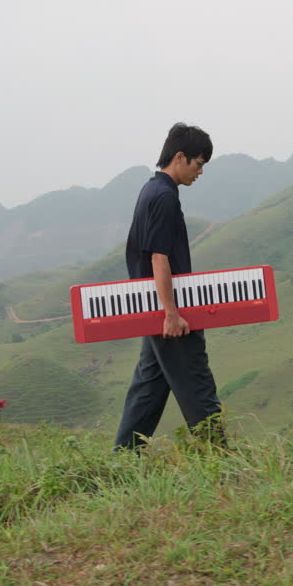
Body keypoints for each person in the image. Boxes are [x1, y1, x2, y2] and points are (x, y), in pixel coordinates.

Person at [114, 123, 225, 450]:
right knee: (196, 381)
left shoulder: (151, 189)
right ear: (180, 157)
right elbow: (159, 258)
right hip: (167, 310)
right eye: (199, 163)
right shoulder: (164, 197)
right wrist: (171, 314)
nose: (200, 172)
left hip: (153, 307)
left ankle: (123, 458)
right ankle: (219, 457)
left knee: (148, 386)